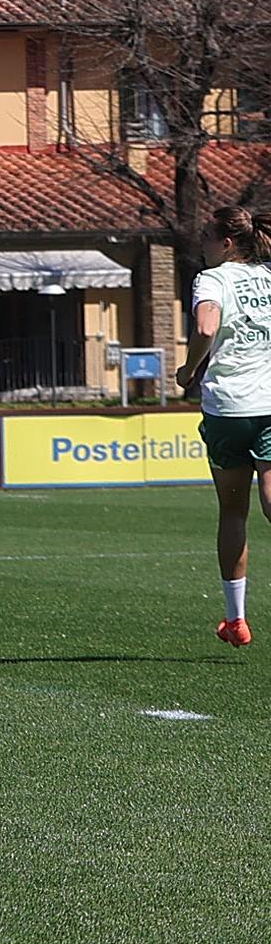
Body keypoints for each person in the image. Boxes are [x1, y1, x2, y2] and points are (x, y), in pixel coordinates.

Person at [177, 204, 271, 647]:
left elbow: (207, 325)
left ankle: (236, 622)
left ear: (227, 243)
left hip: (230, 407)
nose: (203, 245)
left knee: (233, 510)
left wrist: (188, 368)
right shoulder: (269, 277)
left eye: (207, 238)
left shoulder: (212, 279)